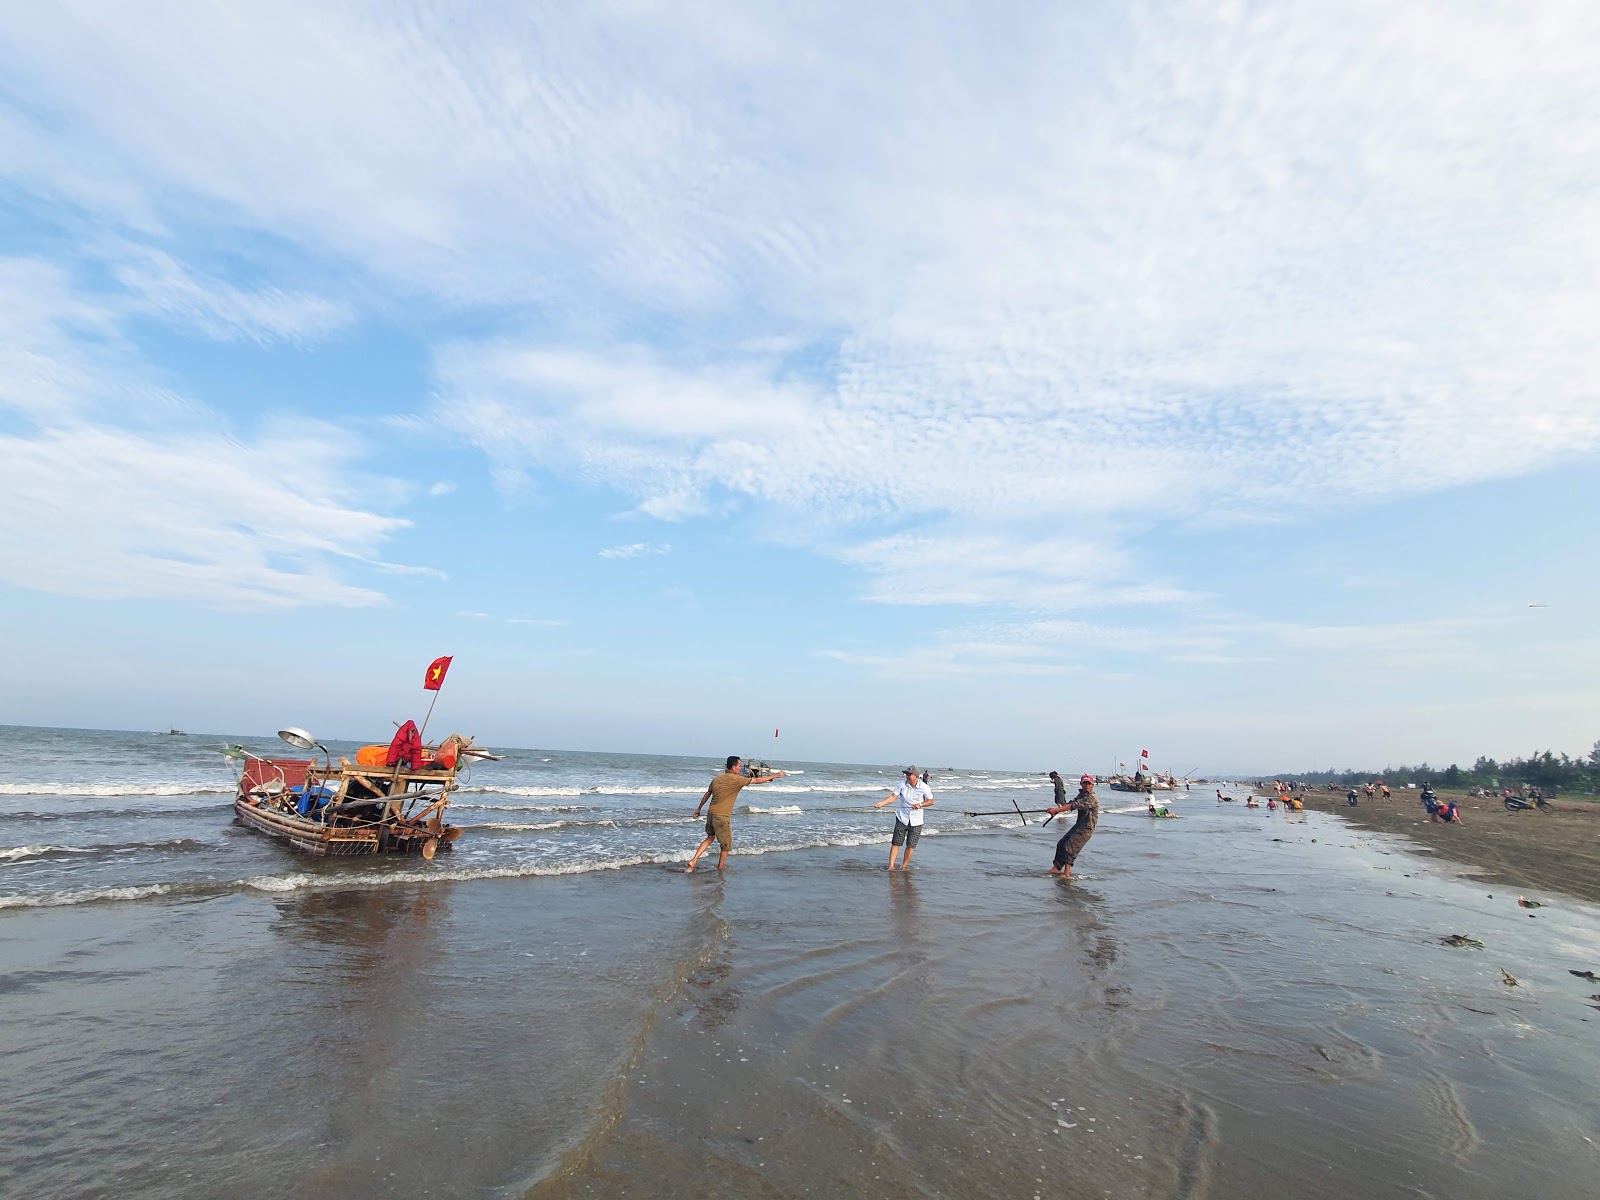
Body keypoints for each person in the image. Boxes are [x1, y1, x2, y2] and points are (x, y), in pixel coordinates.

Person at [686, 755, 784, 872]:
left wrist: (698, 809)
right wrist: (776, 775)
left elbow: (707, 794)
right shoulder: (737, 779)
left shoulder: (716, 779)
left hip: (711, 814)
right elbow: (757, 780)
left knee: (710, 837)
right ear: (733, 767)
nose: (740, 768)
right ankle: (720, 869)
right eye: (739, 766)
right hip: (722, 817)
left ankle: (693, 861)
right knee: (725, 846)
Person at [874, 766, 934, 870]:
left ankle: (903, 866)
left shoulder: (924, 787)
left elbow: (931, 801)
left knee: (910, 845)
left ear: (915, 776)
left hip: (917, 821)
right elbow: (893, 797)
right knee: (896, 843)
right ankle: (891, 867)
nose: (907, 776)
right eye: (906, 774)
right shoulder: (901, 784)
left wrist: (920, 805)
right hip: (902, 818)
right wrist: (882, 803)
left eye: (909, 774)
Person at [1046, 773, 1099, 877]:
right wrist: (1055, 810)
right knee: (1061, 844)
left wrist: (1057, 809)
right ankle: (1056, 868)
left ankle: (1066, 873)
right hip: (1079, 825)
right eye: (1085, 783)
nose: (1087, 785)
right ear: (1081, 784)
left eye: (1089, 783)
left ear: (1092, 785)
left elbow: (1074, 805)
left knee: (1070, 846)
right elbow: (1071, 803)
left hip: (1087, 828)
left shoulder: (1091, 798)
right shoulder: (1081, 795)